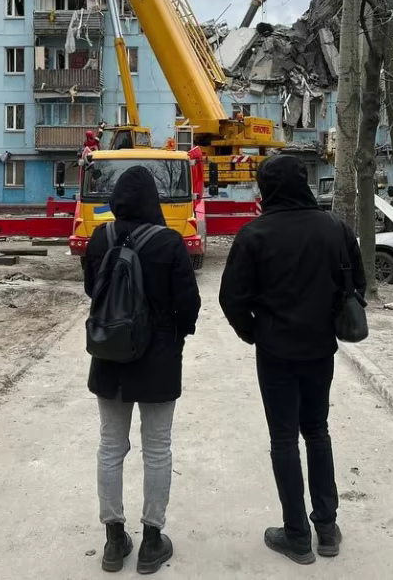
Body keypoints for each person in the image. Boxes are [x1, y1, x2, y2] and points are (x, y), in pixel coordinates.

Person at [219, 155, 365, 565]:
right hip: (320, 350)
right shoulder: (335, 228)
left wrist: (254, 332)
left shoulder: (254, 234)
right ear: (303, 183)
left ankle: (297, 536)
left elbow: (231, 299)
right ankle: (327, 528)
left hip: (275, 352)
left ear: (266, 188)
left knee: (283, 439)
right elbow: (357, 283)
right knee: (317, 431)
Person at [84, 166, 201, 574]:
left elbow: (92, 290)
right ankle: (152, 541)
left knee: (110, 447)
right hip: (159, 359)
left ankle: (114, 540)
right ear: (153, 200)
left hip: (109, 355)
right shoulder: (168, 242)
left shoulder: (101, 238)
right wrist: (176, 336)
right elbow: (189, 304)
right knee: (157, 449)